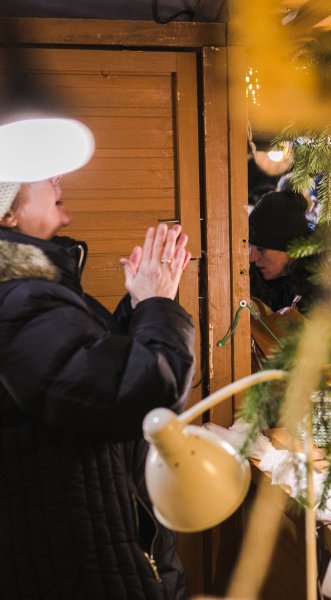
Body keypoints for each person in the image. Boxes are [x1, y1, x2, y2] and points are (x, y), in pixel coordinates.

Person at [0, 127, 195, 598]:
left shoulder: (32, 290)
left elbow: (86, 372)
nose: (58, 178)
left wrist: (137, 307)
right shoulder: (19, 299)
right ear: (7, 212)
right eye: (42, 175)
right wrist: (155, 304)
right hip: (77, 567)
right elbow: (142, 394)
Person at [249, 190, 319, 313]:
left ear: (290, 249)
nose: (252, 258)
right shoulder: (253, 283)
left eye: (261, 249)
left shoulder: (320, 292)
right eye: (250, 247)